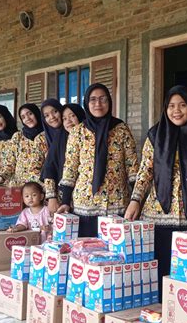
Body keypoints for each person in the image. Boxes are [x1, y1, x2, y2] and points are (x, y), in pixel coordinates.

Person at [125, 86, 187, 290]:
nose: (176, 110)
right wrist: (135, 200)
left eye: (182, 105)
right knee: (161, 269)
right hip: (159, 214)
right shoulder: (155, 135)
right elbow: (146, 171)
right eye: (171, 106)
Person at [59, 83, 139, 236]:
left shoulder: (121, 129)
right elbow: (70, 168)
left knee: (116, 254)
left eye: (103, 99)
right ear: (86, 103)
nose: (98, 104)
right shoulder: (78, 132)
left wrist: (136, 199)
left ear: (109, 101)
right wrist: (65, 201)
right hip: (85, 205)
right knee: (87, 252)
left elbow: (132, 166)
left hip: (117, 203)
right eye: (93, 100)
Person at [41, 101, 85, 214]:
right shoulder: (59, 138)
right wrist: (51, 197)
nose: (68, 121)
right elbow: (49, 168)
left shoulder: (90, 137)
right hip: (64, 199)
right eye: (64, 118)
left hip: (87, 199)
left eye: (72, 116)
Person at [10, 104, 48, 186]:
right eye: (23, 117)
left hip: (41, 186)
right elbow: (11, 162)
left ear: (37, 114)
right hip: (20, 186)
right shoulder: (18, 137)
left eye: (30, 114)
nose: (27, 119)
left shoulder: (47, 135)